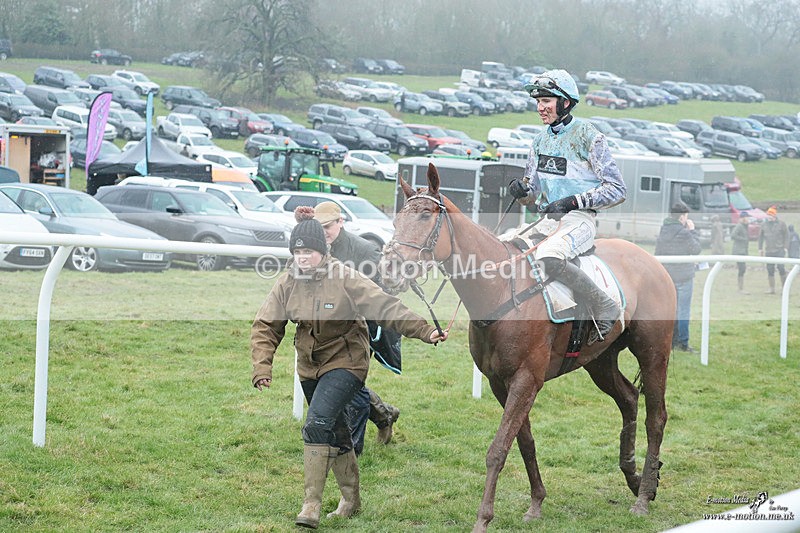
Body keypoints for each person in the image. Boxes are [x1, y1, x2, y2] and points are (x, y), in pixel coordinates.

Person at [251, 218, 447, 529]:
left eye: (309, 251)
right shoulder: (287, 282)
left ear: (323, 251)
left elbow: (384, 306)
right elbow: (266, 325)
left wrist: (424, 330)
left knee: (316, 424)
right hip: (309, 366)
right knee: (338, 431)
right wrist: (263, 366)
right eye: (297, 251)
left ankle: (311, 504)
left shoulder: (344, 277)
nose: (302, 257)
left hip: (347, 362)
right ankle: (351, 500)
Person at [507, 69, 626, 345]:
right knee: (506, 247)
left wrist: (574, 201)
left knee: (548, 256)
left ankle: (605, 304)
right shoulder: (539, 141)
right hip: (547, 220)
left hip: (579, 220)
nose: (540, 107)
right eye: (538, 101)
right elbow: (532, 195)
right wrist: (522, 191)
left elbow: (618, 190)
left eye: (546, 101)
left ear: (566, 102)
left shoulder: (588, 135)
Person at [296, 202, 402, 452]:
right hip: (327, 332)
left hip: (360, 330)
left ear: (340, 222)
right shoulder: (317, 248)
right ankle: (384, 415)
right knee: (341, 382)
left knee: (350, 386)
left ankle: (351, 450)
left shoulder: (364, 249)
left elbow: (382, 292)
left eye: (328, 226)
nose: (323, 232)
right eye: (318, 227)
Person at [654, 202, 701, 353]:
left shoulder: (663, 231)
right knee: (683, 310)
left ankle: (671, 340)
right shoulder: (685, 232)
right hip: (684, 276)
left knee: (670, 310)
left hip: (668, 275)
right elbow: (696, 249)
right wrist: (693, 231)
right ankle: (683, 342)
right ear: (682, 217)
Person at [758, 205, 788, 294]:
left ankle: (784, 288)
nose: (769, 217)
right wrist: (760, 248)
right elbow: (760, 237)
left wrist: (785, 247)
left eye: (770, 215)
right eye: (768, 215)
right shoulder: (763, 225)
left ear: (774, 215)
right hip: (769, 250)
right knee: (770, 269)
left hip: (779, 250)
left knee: (781, 268)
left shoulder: (782, 224)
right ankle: (772, 288)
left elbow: (786, 236)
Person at [731, 213, 751, 294]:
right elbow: (733, 235)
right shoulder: (739, 226)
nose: (748, 219)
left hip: (743, 251)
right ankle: (740, 289)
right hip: (739, 251)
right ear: (743, 218)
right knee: (742, 269)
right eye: (747, 217)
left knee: (743, 269)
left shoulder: (745, 226)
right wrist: (743, 239)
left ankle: (741, 288)